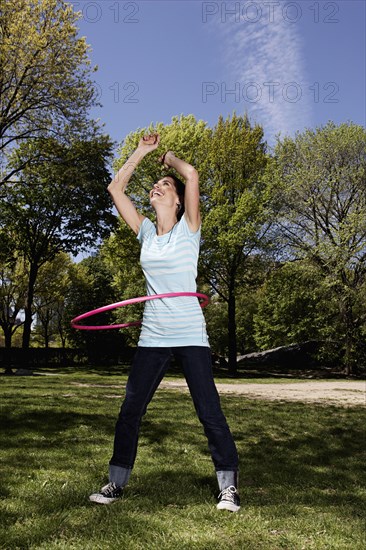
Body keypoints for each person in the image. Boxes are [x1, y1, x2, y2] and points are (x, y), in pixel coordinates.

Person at [89, 134, 240, 512]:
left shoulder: (190, 229)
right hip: (153, 335)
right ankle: (115, 482)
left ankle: (228, 487)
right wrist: (141, 151)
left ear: (177, 199)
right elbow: (115, 187)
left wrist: (170, 160)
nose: (158, 187)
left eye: (165, 186)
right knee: (130, 411)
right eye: (156, 186)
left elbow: (191, 172)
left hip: (190, 334)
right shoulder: (144, 235)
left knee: (208, 411)